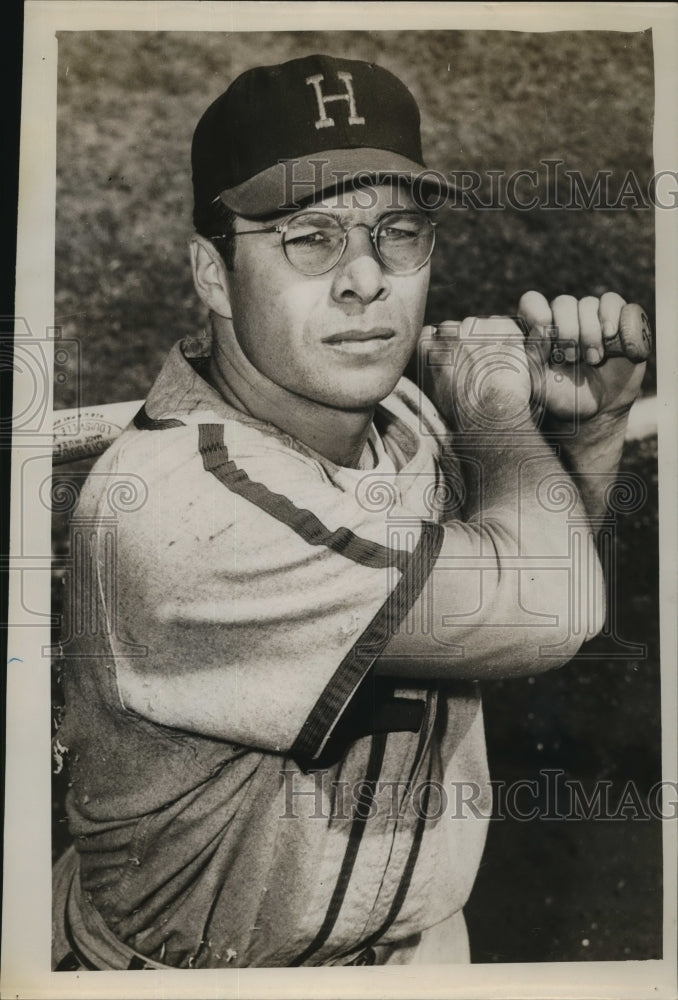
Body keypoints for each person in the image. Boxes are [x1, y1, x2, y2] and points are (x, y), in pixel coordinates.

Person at [51, 53, 650, 969]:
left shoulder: (397, 413)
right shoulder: (181, 512)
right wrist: (494, 414)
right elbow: (547, 610)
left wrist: (590, 438)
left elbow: (512, 593)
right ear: (211, 274)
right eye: (310, 237)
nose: (365, 279)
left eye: (397, 232)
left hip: (417, 950)